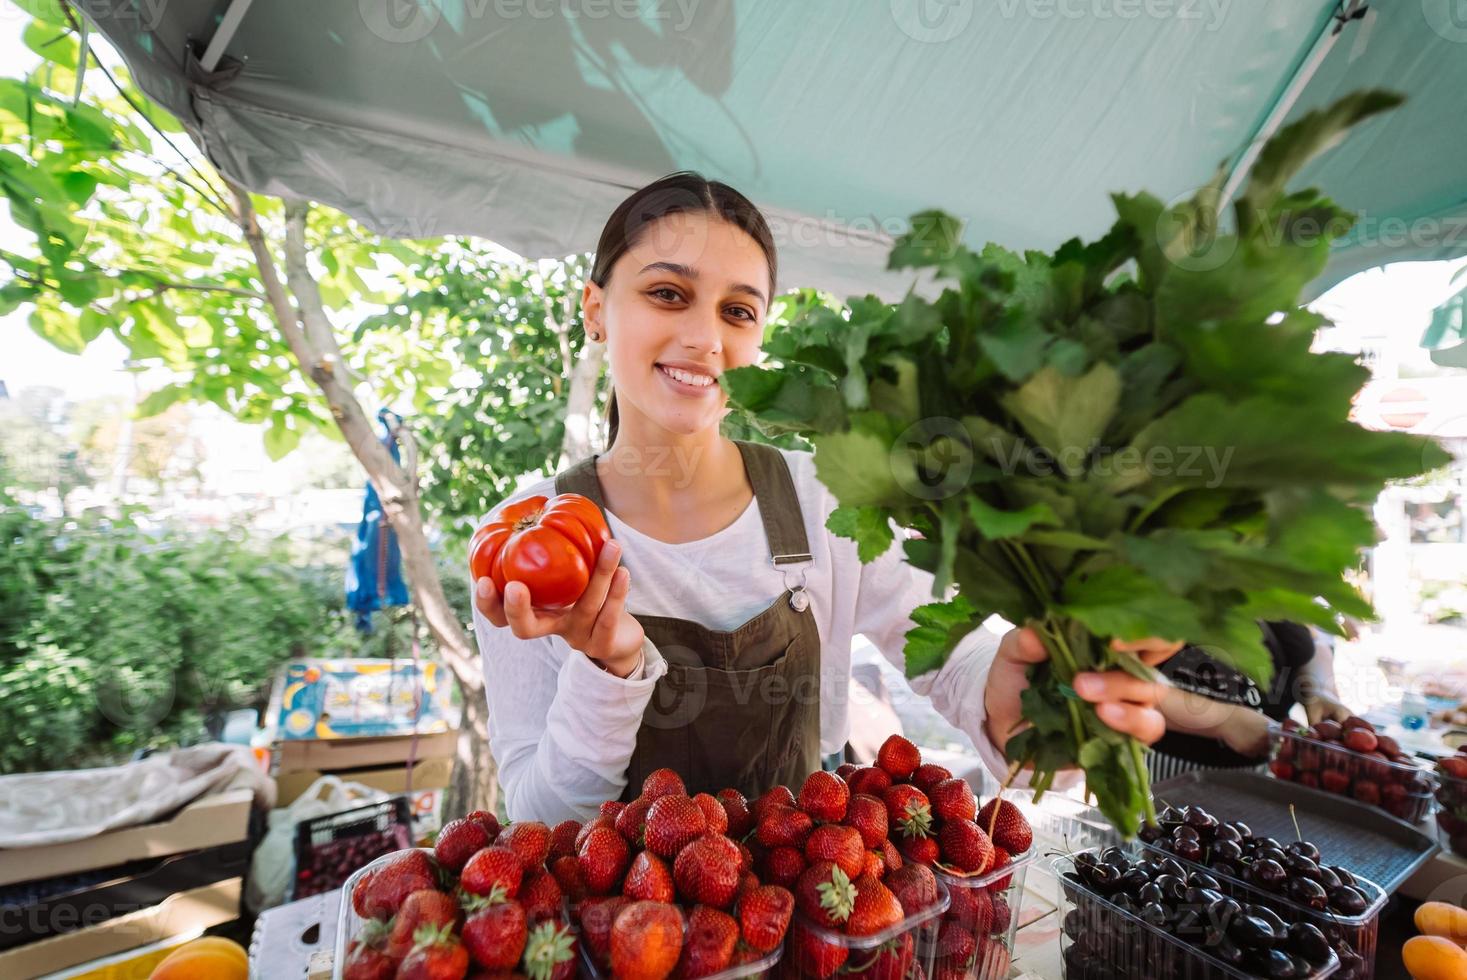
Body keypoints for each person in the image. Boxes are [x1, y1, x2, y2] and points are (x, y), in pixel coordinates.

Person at [469, 172, 1183, 822]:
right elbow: (537, 820)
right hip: (623, 947)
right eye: (667, 294)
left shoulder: (824, 498)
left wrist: (1009, 695)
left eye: (738, 311)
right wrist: (609, 670)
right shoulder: (521, 548)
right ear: (595, 309)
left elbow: (949, 656)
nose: (703, 337)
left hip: (815, 919)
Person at [1148, 621, 1353, 783]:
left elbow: (1314, 645)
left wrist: (1318, 689)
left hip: (1268, 765)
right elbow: (1122, 681)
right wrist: (1223, 722)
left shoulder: (1276, 581)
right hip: (1177, 770)